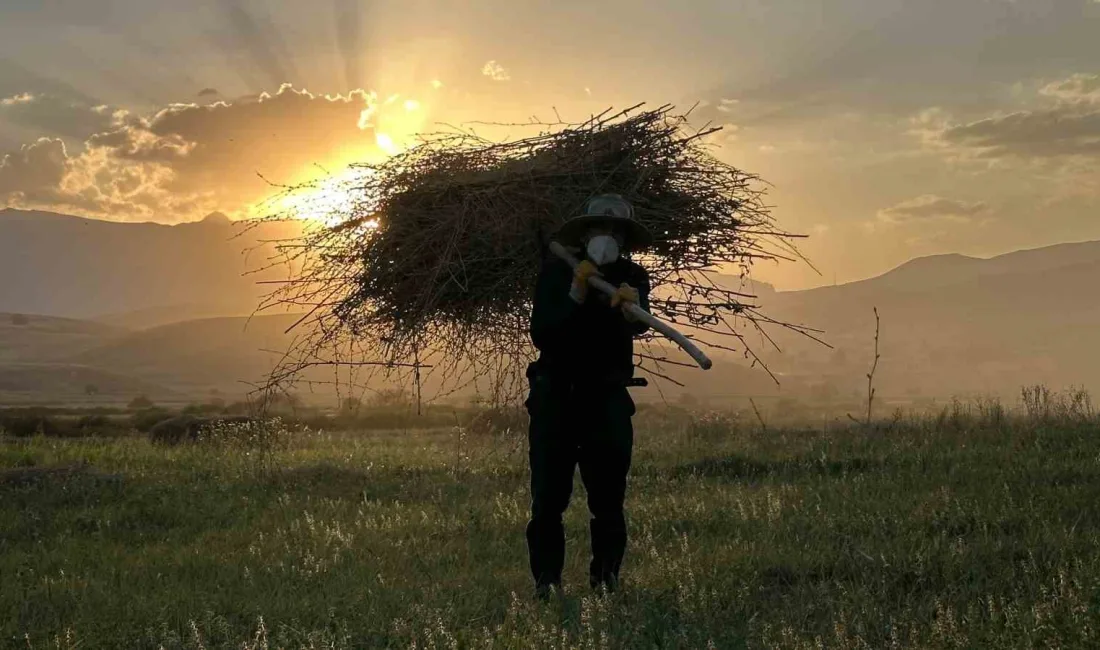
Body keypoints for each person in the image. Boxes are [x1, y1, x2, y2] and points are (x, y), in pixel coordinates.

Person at [525, 193, 653, 599]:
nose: (607, 236)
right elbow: (543, 334)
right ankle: (547, 586)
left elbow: (638, 329)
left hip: (607, 403)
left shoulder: (633, 278)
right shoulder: (556, 272)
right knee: (548, 503)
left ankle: (606, 583)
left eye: (616, 231)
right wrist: (576, 294)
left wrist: (628, 309)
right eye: (601, 228)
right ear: (585, 232)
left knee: (608, 503)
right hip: (556, 401)